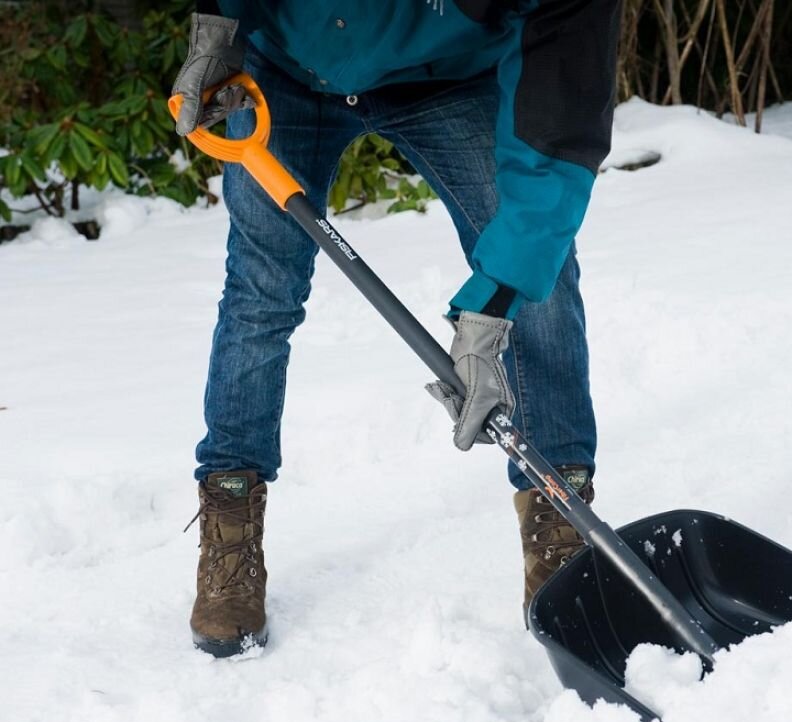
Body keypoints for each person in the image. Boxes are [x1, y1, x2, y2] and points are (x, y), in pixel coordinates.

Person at [173, 0, 622, 657]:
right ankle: (230, 520)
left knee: (540, 290)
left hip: (447, 75)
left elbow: (555, 134)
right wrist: (218, 28)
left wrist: (494, 300)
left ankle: (561, 519)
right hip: (288, 72)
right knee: (259, 294)